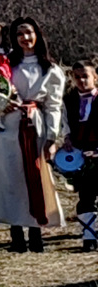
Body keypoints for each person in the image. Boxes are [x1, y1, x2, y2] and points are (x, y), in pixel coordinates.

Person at [0, 17, 66, 252]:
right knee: (11, 179)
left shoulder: (51, 69)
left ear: (37, 35)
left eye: (28, 32)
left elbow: (54, 105)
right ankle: (16, 234)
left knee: (34, 177)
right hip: (6, 127)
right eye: (19, 34)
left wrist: (52, 137)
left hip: (34, 127)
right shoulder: (5, 64)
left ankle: (36, 232)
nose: (25, 38)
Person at [62, 61, 98, 251]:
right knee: (86, 195)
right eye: (77, 77)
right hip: (81, 154)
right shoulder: (69, 100)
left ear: (95, 77)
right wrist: (67, 137)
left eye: (85, 76)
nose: (82, 80)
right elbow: (65, 123)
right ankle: (89, 238)